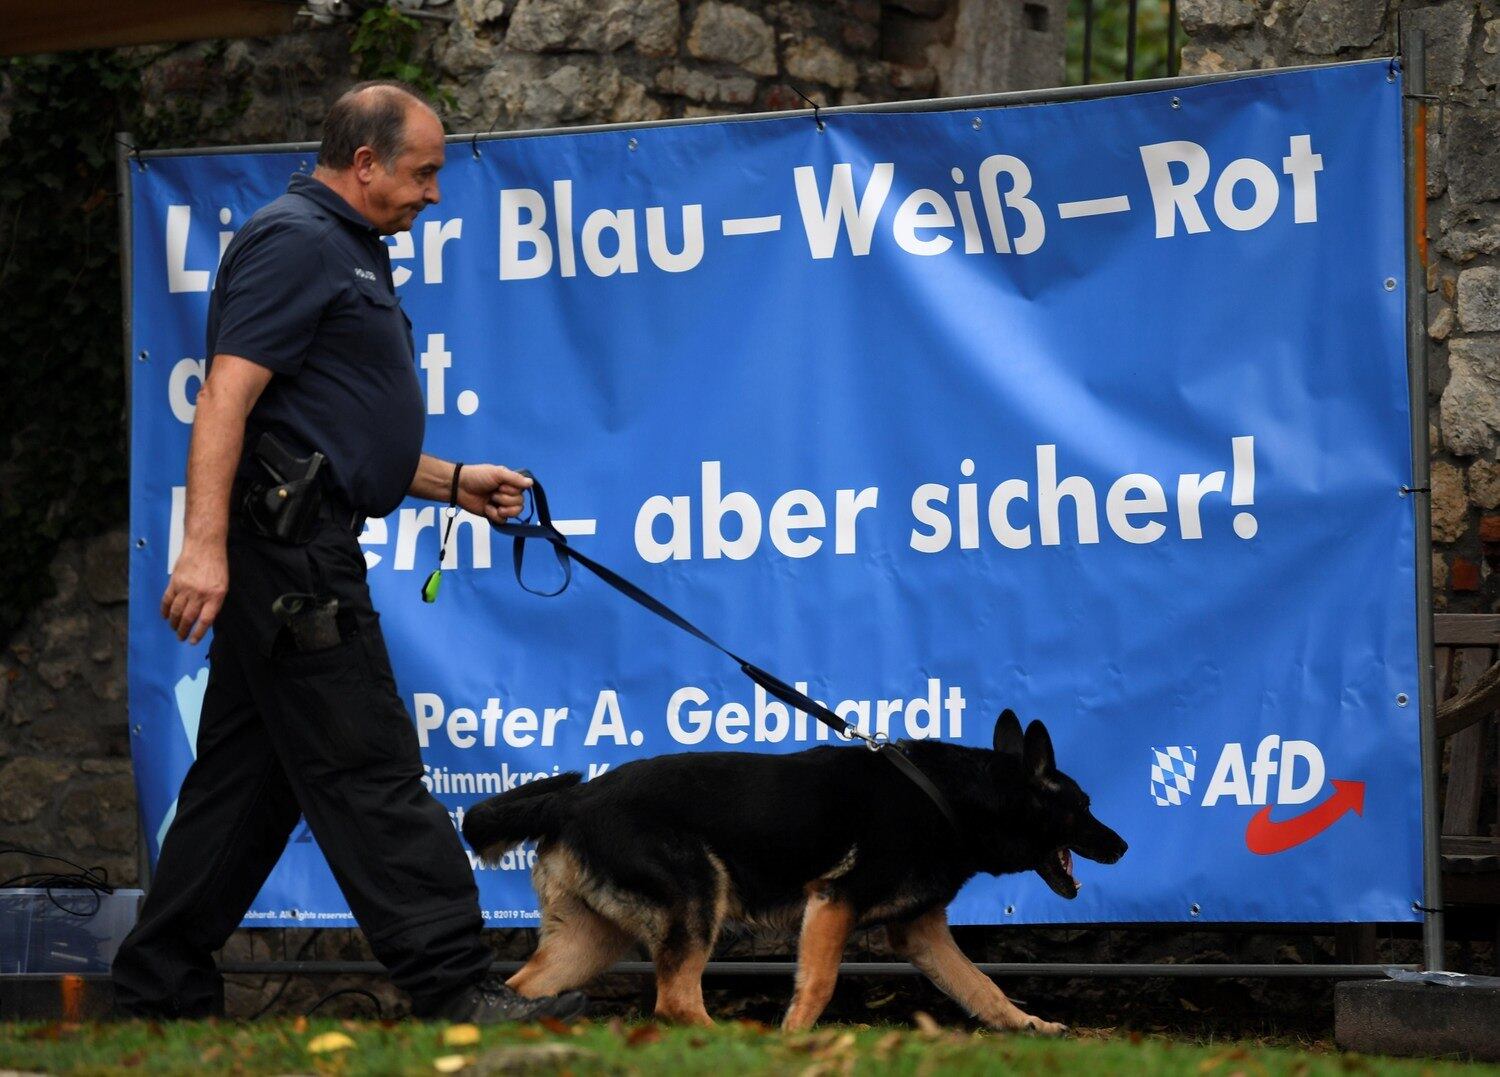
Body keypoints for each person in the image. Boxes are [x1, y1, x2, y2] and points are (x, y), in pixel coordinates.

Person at [112, 81, 584, 1024]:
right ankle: (456, 987)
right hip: (291, 560)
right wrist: (202, 548)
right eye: (423, 172)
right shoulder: (295, 241)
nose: (434, 192)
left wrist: (454, 481)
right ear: (364, 162)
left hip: (295, 544)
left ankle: (160, 988)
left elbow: (328, 429)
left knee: (247, 783)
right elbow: (227, 397)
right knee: (369, 762)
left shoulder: (346, 246)